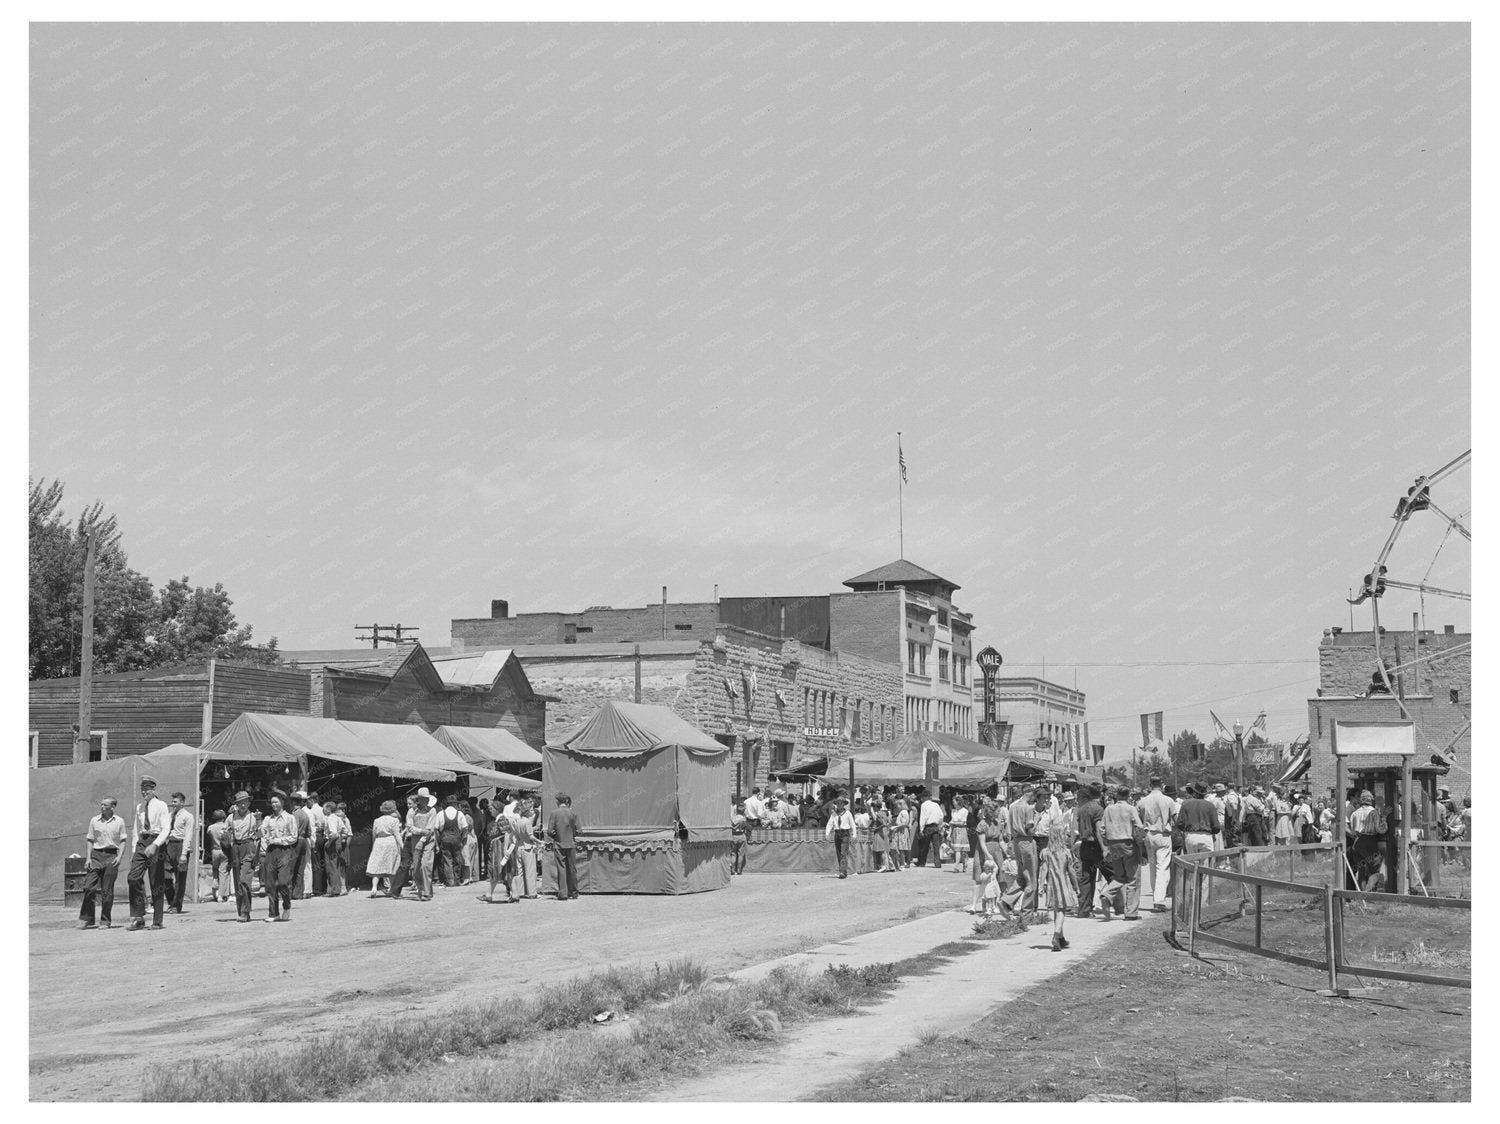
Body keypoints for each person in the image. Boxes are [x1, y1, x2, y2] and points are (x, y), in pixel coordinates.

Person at [125, 774, 171, 931]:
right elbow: (136, 830)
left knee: (156, 882)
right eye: (142, 789)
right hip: (141, 843)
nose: (144, 792)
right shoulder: (139, 807)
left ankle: (157, 921)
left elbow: (166, 829)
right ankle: (139, 917)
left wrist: (156, 845)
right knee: (133, 878)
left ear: (153, 789)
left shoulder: (161, 806)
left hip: (156, 842)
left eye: (147, 789)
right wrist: (134, 851)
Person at [79, 796, 128, 929]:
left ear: (112, 807)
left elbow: (123, 840)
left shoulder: (120, 821)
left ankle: (105, 921)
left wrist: (119, 857)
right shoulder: (94, 820)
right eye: (101, 804)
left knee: (107, 891)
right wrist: (88, 858)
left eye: (105, 805)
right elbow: (90, 839)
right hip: (95, 856)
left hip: (111, 856)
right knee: (89, 887)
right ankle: (87, 919)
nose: (102, 807)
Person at [1097, 785, 1144, 921]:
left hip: (1113, 844)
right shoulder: (1130, 809)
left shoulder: (1108, 809)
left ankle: (1106, 894)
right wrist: (1139, 843)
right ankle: (1131, 912)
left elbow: (1102, 829)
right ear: (1128, 795)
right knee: (1132, 878)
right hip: (1128, 844)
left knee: (1119, 876)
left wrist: (1108, 843)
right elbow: (1139, 827)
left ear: (1116, 795)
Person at [1036, 799, 1078, 951]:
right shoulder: (1066, 853)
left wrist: (1041, 886)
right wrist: (1076, 886)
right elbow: (1071, 872)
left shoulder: (1045, 853)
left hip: (1051, 885)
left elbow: (1043, 870)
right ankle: (1056, 934)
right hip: (1063, 884)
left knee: (1056, 910)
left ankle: (1061, 938)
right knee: (1061, 910)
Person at [1137, 777, 1175, 912]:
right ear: (1162, 785)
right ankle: (1159, 900)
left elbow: (1138, 820)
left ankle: (1156, 896)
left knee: (1153, 867)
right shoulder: (1168, 800)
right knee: (1162, 867)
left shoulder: (1142, 801)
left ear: (1150, 785)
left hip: (1148, 834)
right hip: (1163, 834)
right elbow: (1175, 818)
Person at [258, 794, 298, 921]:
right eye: (272, 802)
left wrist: (277, 840)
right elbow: (261, 834)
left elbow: (293, 837)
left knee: (283, 882)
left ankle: (286, 906)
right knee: (270, 884)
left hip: (285, 851)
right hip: (270, 852)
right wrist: (258, 821)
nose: (273, 804)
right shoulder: (268, 819)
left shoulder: (290, 818)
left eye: (276, 802)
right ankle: (273, 913)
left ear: (282, 802)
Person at [224, 790, 261, 922]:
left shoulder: (253, 817)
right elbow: (224, 833)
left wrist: (258, 821)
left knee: (245, 880)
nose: (243, 805)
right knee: (238, 881)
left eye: (245, 802)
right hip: (236, 848)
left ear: (249, 802)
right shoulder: (231, 817)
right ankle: (242, 910)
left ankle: (245, 911)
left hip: (249, 846)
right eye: (240, 802)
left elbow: (260, 835)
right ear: (236, 804)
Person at [1073, 785, 1105, 918]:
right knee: (1112, 874)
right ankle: (1122, 906)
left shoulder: (1080, 810)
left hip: (1085, 846)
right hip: (1095, 846)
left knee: (1086, 878)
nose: (1077, 800)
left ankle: (1084, 909)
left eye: (1079, 797)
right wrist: (1104, 848)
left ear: (1086, 797)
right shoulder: (1097, 809)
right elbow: (1098, 830)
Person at [1005, 786, 1039, 914]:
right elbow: (1030, 829)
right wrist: (1037, 820)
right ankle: (1027, 911)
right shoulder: (1028, 808)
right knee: (1031, 878)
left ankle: (1006, 901)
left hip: (1016, 841)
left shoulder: (1013, 806)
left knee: (1021, 875)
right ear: (1028, 793)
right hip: (1026, 840)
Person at [1348, 790, 1387, 892]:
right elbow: (1380, 830)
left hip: (1357, 842)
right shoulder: (1374, 812)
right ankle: (1370, 892)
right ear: (1371, 800)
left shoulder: (1355, 813)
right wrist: (1384, 821)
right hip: (1370, 842)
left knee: (1361, 869)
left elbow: (1352, 828)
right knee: (1375, 869)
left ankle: (1362, 894)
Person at [405, 788, 440, 901]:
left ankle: (426, 892)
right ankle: (421, 889)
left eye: (426, 799)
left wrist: (422, 840)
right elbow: (410, 827)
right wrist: (421, 831)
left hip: (428, 841)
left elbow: (430, 829)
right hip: (415, 840)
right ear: (419, 799)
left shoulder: (432, 811)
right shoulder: (411, 812)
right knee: (417, 867)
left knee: (426, 865)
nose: (425, 801)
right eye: (423, 799)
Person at [547, 792, 581, 900]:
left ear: (557, 801)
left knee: (561, 869)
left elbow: (549, 831)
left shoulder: (554, 813)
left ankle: (563, 893)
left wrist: (556, 836)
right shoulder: (572, 813)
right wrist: (572, 835)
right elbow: (579, 830)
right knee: (572, 868)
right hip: (571, 844)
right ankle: (574, 892)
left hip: (559, 844)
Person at [482, 808, 519, 904]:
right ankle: (514, 894)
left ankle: (489, 894)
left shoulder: (502, 820)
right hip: (507, 852)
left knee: (495, 873)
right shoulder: (509, 822)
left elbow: (506, 833)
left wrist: (504, 850)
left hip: (500, 852)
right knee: (509, 873)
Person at [366, 800, 402, 897]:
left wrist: (374, 845)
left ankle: (374, 887)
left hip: (379, 842)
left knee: (377, 866)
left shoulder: (377, 820)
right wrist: (402, 845)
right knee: (391, 866)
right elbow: (397, 835)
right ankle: (392, 889)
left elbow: (373, 835)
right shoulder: (394, 820)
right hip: (390, 842)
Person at [1175, 783, 1221, 856]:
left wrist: (1186, 831)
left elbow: (1180, 823)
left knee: (1191, 864)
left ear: (1194, 792)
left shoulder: (1186, 803)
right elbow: (1216, 827)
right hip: (1207, 837)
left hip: (1191, 836)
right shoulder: (1210, 805)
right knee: (1205, 865)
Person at [436, 795, 467, 888]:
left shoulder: (441, 814)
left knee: (447, 860)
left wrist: (439, 840)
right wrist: (462, 838)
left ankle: (450, 881)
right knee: (457, 859)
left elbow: (435, 829)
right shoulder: (460, 814)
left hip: (445, 839)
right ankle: (457, 880)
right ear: (454, 803)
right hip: (457, 839)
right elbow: (465, 828)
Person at [288, 791, 313, 901]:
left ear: (293, 802)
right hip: (303, 841)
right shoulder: (305, 814)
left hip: (295, 841)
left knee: (291, 867)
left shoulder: (294, 814)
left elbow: (293, 830)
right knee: (300, 868)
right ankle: (298, 893)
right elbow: (309, 832)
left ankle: (288, 893)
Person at [825, 797, 856, 878]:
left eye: (841, 803)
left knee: (843, 852)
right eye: (838, 803)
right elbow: (829, 824)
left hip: (845, 833)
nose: (839, 805)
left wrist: (854, 834)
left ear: (843, 804)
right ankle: (843, 871)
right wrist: (827, 833)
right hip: (837, 833)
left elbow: (852, 824)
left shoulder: (848, 813)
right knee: (839, 853)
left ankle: (842, 871)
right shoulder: (833, 814)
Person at [322, 802, 348, 896]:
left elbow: (333, 833)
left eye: (324, 808)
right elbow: (345, 831)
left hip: (332, 842)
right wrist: (341, 838)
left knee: (331, 866)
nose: (323, 810)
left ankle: (334, 890)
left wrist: (328, 843)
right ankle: (336, 888)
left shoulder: (330, 819)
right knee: (336, 866)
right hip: (338, 842)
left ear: (328, 809)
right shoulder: (337, 818)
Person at [915, 790, 946, 868]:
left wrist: (921, 829)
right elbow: (941, 815)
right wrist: (939, 825)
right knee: (936, 846)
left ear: (924, 797)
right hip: (935, 826)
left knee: (924, 846)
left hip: (928, 827)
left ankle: (922, 862)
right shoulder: (936, 804)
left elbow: (923, 817)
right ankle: (937, 863)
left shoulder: (924, 805)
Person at [206, 810, 231, 902]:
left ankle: (214, 891)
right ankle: (221, 894)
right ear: (224, 817)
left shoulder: (210, 827)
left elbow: (209, 834)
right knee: (223, 872)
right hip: (224, 851)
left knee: (215, 871)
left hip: (214, 851)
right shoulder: (226, 827)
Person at [307, 791, 328, 898]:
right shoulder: (322, 810)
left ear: (312, 800)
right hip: (323, 837)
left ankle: (317, 889)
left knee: (315, 863)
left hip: (316, 837)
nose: (307, 803)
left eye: (308, 801)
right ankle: (323, 887)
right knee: (322, 862)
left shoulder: (312, 811)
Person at [459, 800, 479, 884]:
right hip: (472, 839)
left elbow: (466, 830)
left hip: (468, 839)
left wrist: (461, 839)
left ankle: (467, 877)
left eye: (459, 807)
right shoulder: (469, 816)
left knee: (466, 858)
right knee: (470, 858)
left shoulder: (466, 817)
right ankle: (469, 877)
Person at [949, 796, 970, 874]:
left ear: (958, 802)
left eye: (954, 801)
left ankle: (961, 865)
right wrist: (949, 833)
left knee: (962, 850)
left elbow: (963, 823)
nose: (953, 803)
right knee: (957, 849)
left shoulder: (964, 811)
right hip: (955, 830)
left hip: (961, 830)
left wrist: (953, 823)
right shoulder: (953, 811)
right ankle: (957, 866)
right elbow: (951, 823)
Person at [890, 798, 911, 871]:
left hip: (901, 831)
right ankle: (901, 863)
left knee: (901, 849)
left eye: (897, 806)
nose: (896, 807)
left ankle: (902, 864)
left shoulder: (903, 812)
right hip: (901, 831)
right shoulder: (905, 812)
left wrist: (894, 827)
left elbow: (904, 824)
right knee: (900, 849)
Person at [730, 800, 749, 875]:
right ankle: (739, 870)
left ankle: (732, 869)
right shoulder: (743, 819)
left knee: (733, 853)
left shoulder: (733, 818)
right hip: (741, 835)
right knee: (741, 853)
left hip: (733, 835)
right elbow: (746, 827)